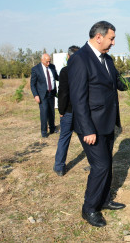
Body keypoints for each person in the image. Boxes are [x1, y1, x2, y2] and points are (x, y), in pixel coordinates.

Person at [68, 21, 130, 227]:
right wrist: (88, 129)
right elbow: (78, 99)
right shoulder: (80, 60)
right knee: (101, 165)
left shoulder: (107, 59)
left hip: (107, 123)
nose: (113, 43)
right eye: (111, 38)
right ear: (99, 37)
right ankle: (89, 208)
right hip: (91, 127)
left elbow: (119, 84)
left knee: (107, 164)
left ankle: (104, 199)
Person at [53, 45, 80, 176]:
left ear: (68, 57)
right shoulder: (84, 70)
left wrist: (61, 110)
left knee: (64, 137)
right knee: (87, 138)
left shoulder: (65, 71)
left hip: (68, 111)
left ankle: (59, 167)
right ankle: (94, 164)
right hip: (82, 112)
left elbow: (63, 93)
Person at [30, 53, 59, 138]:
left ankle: (52, 128)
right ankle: (44, 132)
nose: (48, 63)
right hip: (42, 94)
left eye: (49, 61)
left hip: (51, 93)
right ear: (42, 60)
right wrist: (36, 95)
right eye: (47, 62)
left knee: (51, 112)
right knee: (44, 112)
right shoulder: (36, 69)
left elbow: (57, 77)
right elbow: (32, 84)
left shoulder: (52, 67)